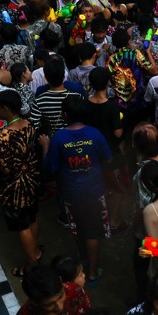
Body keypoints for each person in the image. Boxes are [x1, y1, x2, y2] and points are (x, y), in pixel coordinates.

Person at [43, 94, 112, 284]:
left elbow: (51, 168)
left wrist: (45, 147)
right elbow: (107, 158)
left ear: (64, 114)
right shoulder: (94, 134)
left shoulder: (58, 138)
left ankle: (83, 261)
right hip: (94, 192)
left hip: (70, 194)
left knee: (77, 229)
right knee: (93, 231)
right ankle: (92, 272)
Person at [0, 89, 42, 276]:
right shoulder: (29, 124)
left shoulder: (5, 136)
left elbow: (6, 167)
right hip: (32, 179)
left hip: (15, 187)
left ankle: (32, 265)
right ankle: (35, 252)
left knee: (22, 225)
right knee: (33, 217)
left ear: (5, 108)